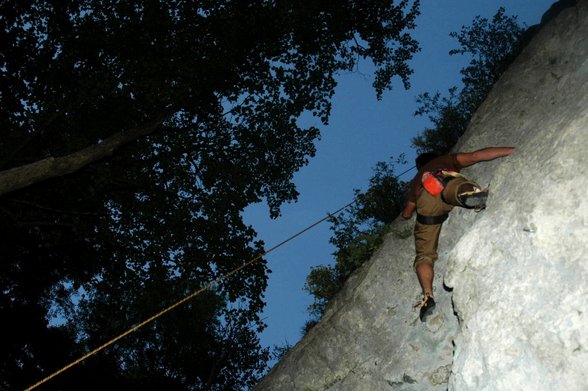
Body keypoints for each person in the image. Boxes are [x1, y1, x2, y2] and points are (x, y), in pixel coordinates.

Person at [401, 147, 514, 321]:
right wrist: (510, 150)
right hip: (443, 179)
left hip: (426, 203)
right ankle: (471, 195)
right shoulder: (446, 159)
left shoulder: (416, 179)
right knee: (456, 187)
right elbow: (477, 156)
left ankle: (428, 296)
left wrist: (408, 210)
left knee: (423, 256)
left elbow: (407, 213)